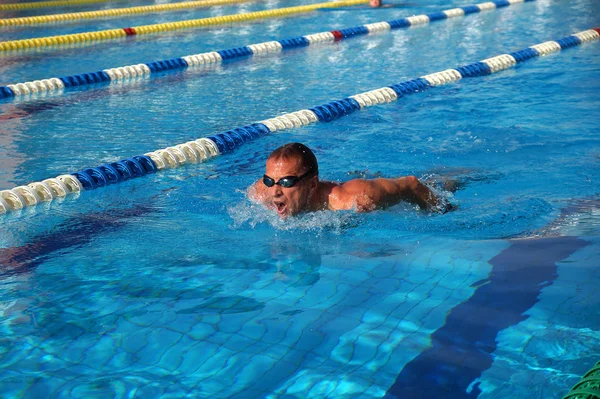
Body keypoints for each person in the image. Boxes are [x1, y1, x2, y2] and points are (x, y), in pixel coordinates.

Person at [248, 143, 449, 218]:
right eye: (269, 181)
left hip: (356, 187)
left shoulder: (351, 199)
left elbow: (411, 184)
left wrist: (444, 210)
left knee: (446, 184)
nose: (275, 191)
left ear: (312, 184)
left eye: (286, 182)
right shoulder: (263, 191)